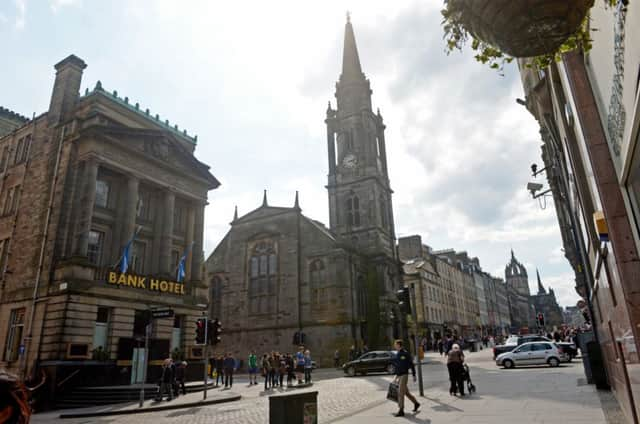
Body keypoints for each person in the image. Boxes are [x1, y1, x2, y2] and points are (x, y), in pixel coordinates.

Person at [392, 339, 419, 417]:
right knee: (406, 392)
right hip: (399, 375)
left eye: (395, 344)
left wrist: (414, 375)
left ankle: (401, 410)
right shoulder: (398, 354)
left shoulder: (405, 353)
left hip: (404, 375)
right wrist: (396, 376)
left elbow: (411, 364)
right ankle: (416, 403)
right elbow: (398, 366)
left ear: (399, 345)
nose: (394, 346)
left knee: (400, 392)